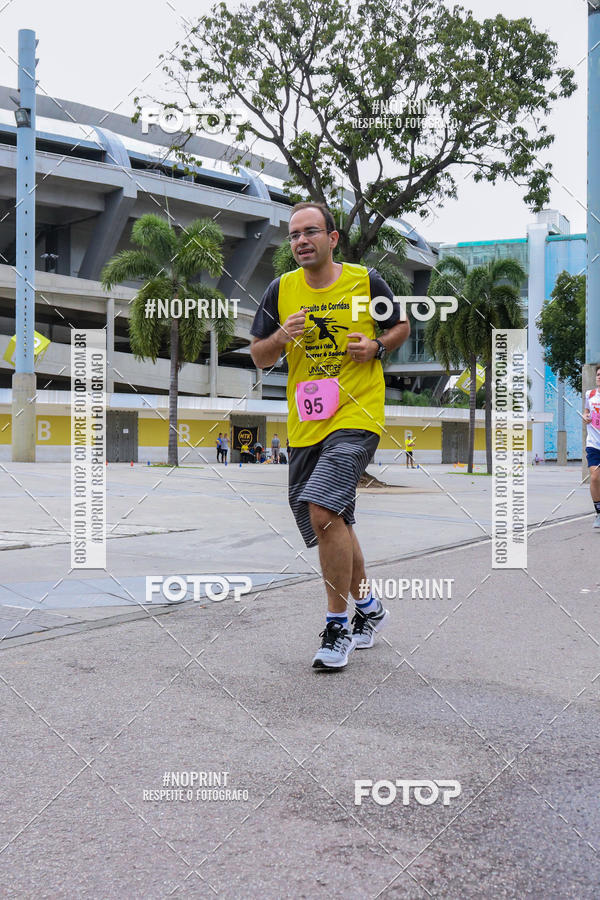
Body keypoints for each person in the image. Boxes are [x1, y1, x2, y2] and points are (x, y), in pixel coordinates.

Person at [250, 201, 410, 670]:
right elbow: (259, 355)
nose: (301, 241)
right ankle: (370, 609)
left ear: (332, 238)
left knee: (322, 509)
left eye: (311, 232)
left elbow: (401, 325)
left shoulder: (365, 281)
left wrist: (377, 346)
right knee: (330, 521)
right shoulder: (280, 290)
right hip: (306, 423)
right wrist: (280, 337)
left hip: (357, 414)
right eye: (294, 234)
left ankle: (337, 627)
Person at [583, 365, 600, 529]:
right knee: (594, 477)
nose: (599, 377)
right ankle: (599, 513)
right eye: (598, 374)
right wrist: (586, 416)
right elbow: (586, 412)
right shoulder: (590, 394)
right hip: (594, 443)